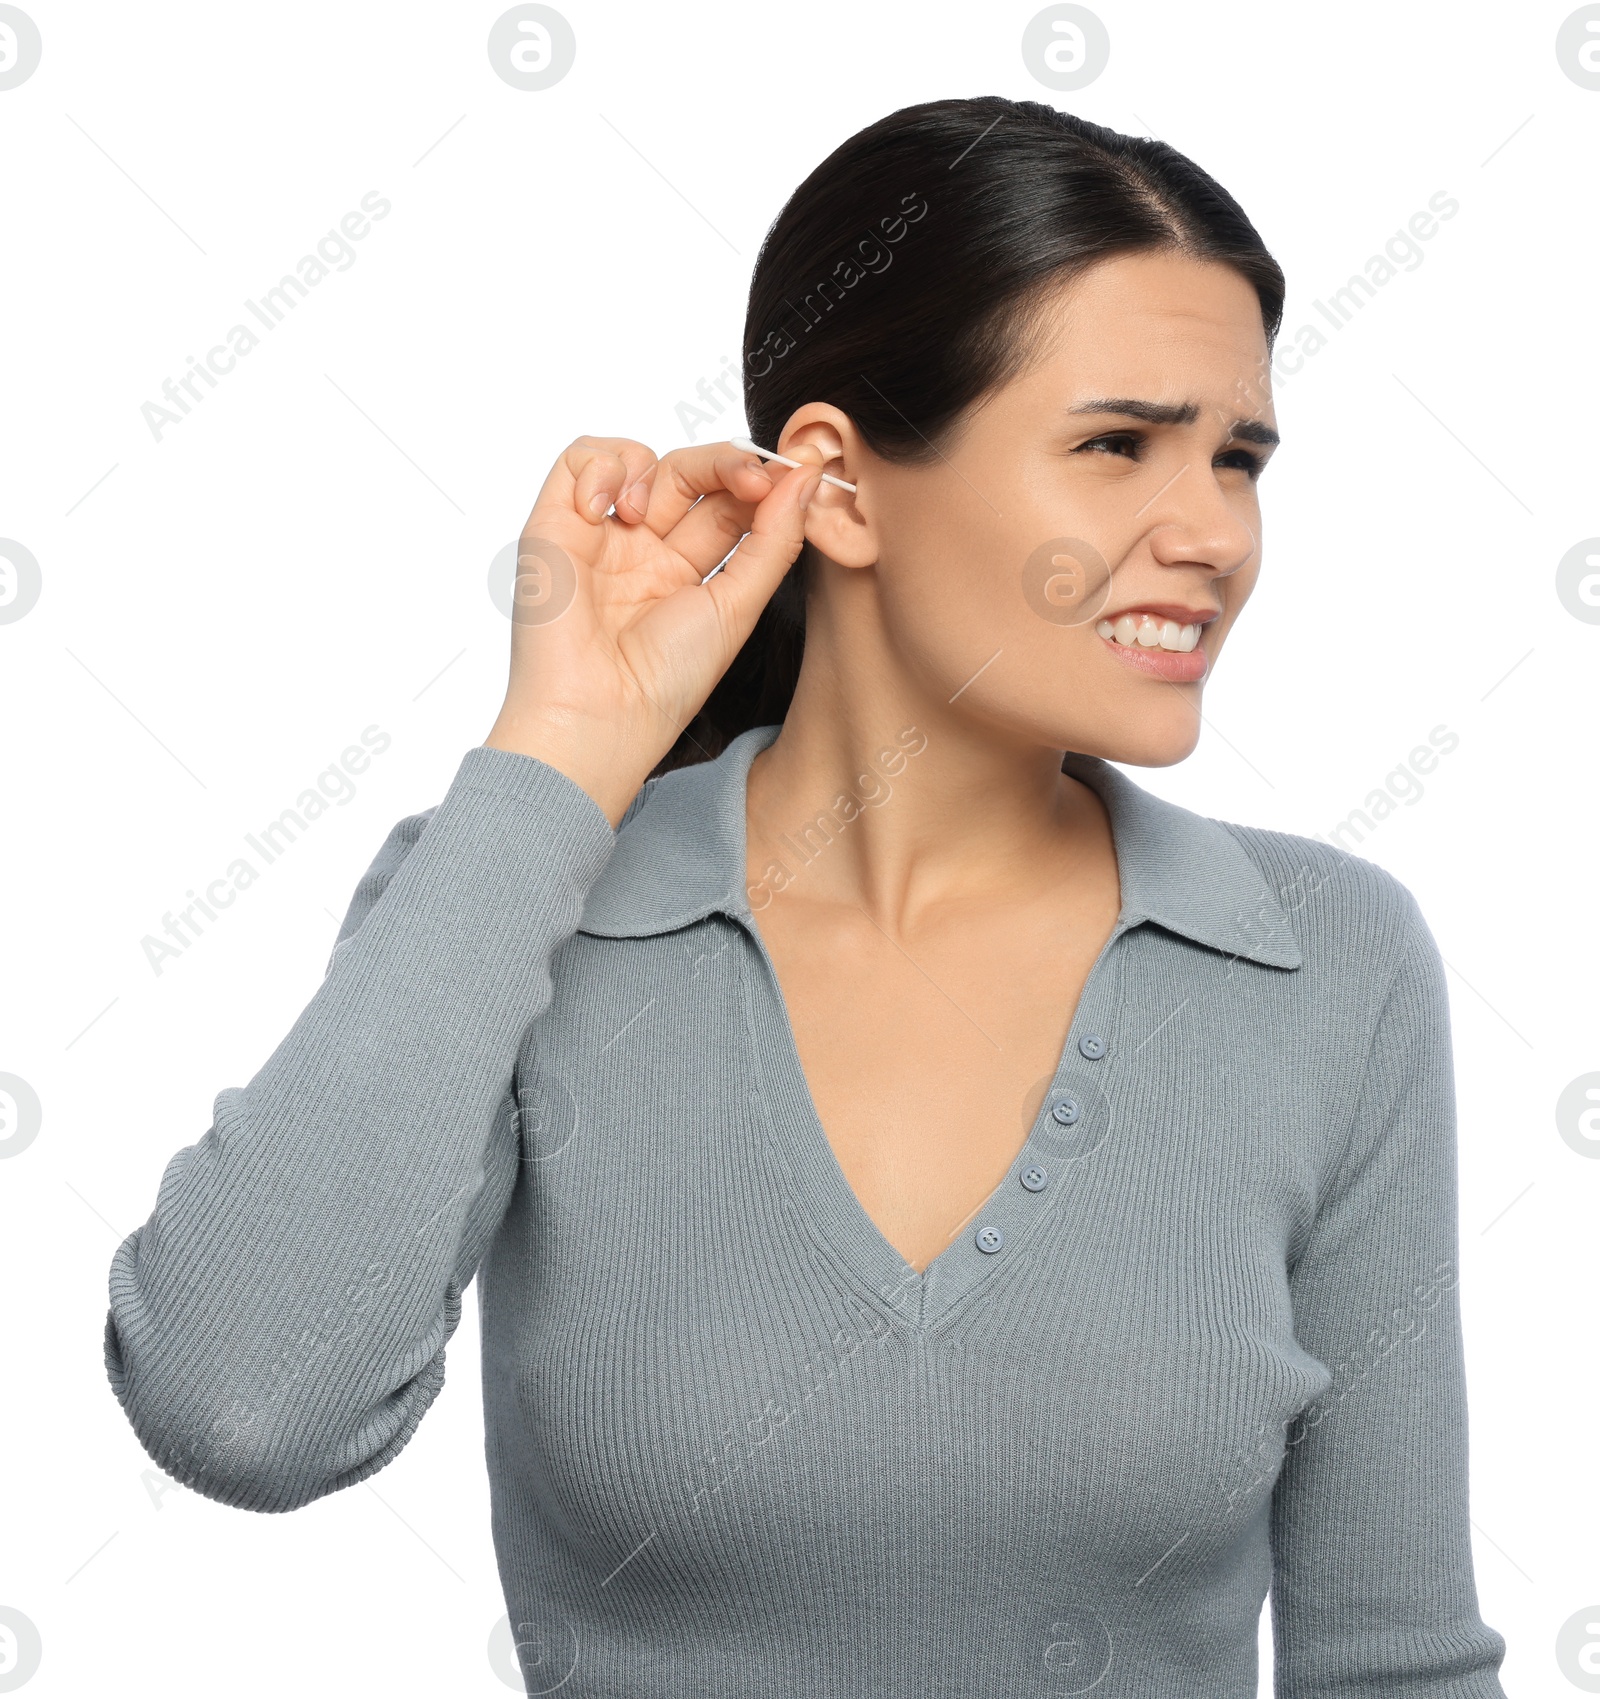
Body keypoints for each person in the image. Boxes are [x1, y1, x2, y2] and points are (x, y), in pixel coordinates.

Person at [104, 95, 1509, 1696]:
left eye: (1238, 458)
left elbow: (1396, 1666)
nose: (1213, 536)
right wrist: (561, 759)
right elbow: (242, 1405)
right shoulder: (515, 906)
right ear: (837, 489)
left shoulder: (1328, 965)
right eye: (1118, 445)